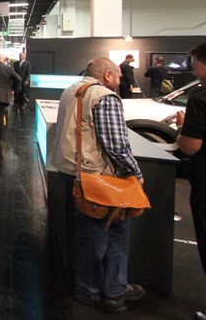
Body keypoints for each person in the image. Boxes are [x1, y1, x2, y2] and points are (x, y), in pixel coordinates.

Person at [51, 57, 146, 313]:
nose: (120, 80)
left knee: (88, 235)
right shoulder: (104, 97)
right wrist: (135, 173)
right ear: (107, 75)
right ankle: (111, 291)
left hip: (72, 170)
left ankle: (92, 289)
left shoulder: (72, 90)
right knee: (112, 232)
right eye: (118, 76)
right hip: (96, 176)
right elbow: (116, 145)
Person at [176, 41, 206, 320]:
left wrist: (183, 128)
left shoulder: (203, 99)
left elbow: (190, 147)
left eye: (196, 68)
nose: (195, 74)